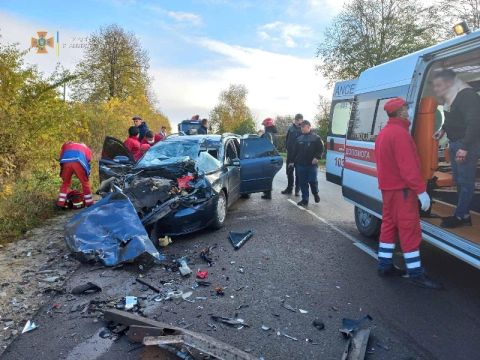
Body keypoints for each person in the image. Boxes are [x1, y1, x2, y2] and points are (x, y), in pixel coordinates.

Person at [375, 97, 441, 289]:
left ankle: (384, 265)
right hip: (403, 191)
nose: (409, 110)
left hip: (388, 189)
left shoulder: (385, 133)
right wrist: (421, 191)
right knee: (409, 229)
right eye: (407, 108)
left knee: (388, 226)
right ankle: (416, 273)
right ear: (401, 112)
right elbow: (408, 168)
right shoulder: (401, 134)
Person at [432, 69, 480, 228]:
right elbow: (452, 117)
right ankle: (464, 214)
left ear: (449, 82)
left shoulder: (467, 96)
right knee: (459, 180)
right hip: (455, 143)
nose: (437, 89)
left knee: (465, 182)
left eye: (439, 85)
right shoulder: (451, 98)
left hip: (465, 144)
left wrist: (465, 147)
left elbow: (475, 123)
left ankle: (461, 217)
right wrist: (443, 130)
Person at [289, 120, 322, 207]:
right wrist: (292, 161)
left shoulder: (316, 138)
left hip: (312, 165)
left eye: (303, 127)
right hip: (300, 164)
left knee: (312, 181)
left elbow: (320, 150)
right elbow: (294, 151)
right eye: (301, 127)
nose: (302, 129)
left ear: (309, 127)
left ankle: (315, 193)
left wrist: (317, 157)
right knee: (303, 182)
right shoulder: (299, 139)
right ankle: (305, 200)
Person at [57, 142, 93, 208]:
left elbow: (61, 157)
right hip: (78, 161)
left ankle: (60, 203)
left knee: (65, 183)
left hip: (66, 162)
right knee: (85, 183)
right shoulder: (85, 147)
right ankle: (89, 203)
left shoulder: (66, 145)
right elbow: (88, 159)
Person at [282, 114, 303, 196]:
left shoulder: (303, 129)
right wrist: (286, 147)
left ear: (302, 120)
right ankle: (289, 188)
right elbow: (287, 140)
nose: (298, 121)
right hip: (290, 154)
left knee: (298, 174)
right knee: (289, 172)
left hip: (299, 156)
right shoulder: (291, 128)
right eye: (296, 120)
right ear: (295, 120)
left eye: (299, 120)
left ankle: (297, 190)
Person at [260, 118, 278, 200]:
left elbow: (267, 147)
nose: (264, 127)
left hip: (267, 158)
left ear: (267, 126)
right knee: (269, 176)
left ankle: (268, 194)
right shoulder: (273, 134)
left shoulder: (267, 134)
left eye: (264, 126)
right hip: (272, 157)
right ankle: (267, 193)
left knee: (266, 176)